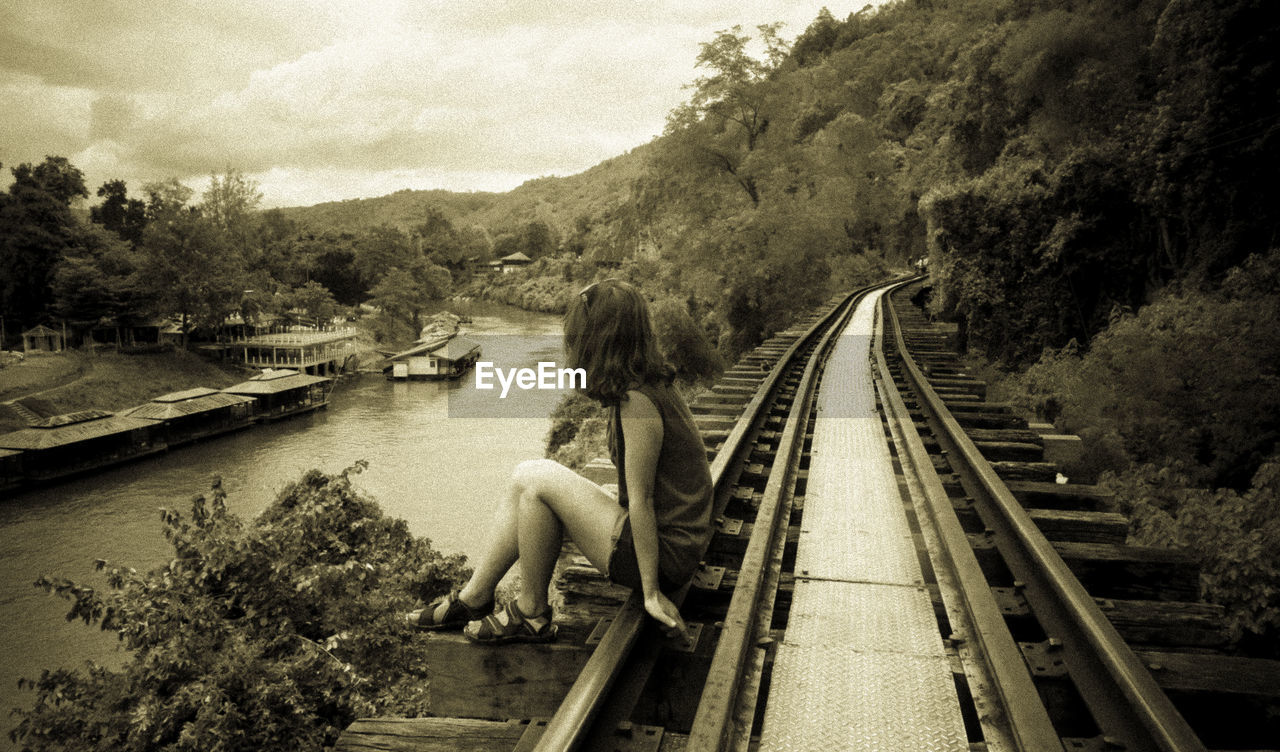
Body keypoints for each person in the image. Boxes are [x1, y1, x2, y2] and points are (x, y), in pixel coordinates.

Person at [406, 279, 714, 644]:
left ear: (595, 339)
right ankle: (475, 598)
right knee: (527, 476)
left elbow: (643, 501)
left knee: (537, 485)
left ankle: (529, 611)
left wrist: (650, 593)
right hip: (669, 544)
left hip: (665, 558)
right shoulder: (648, 382)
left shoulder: (638, 401)